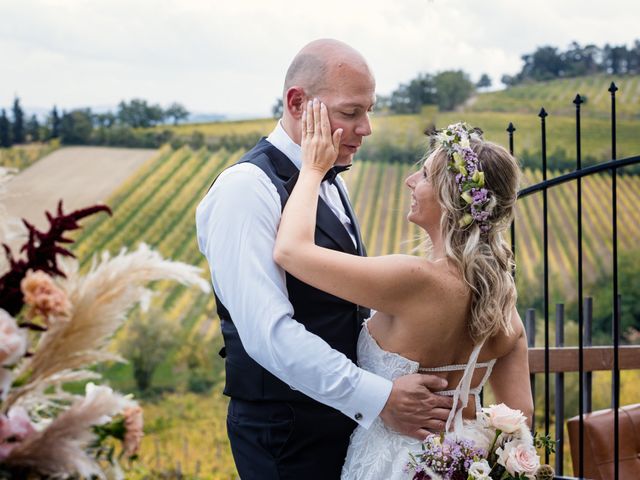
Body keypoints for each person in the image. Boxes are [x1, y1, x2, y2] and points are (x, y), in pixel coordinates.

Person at [195, 39, 452, 480]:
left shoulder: (331, 181)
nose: (366, 127)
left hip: (346, 422)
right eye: (350, 112)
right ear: (298, 102)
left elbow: (347, 304)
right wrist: (380, 397)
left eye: (369, 110)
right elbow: (268, 334)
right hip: (287, 432)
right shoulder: (245, 189)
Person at [273, 101, 534, 479]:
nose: (411, 181)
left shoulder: (414, 279)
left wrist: (313, 168)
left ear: (449, 198)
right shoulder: (503, 308)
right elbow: (519, 427)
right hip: (462, 466)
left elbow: (290, 251)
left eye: (425, 175)